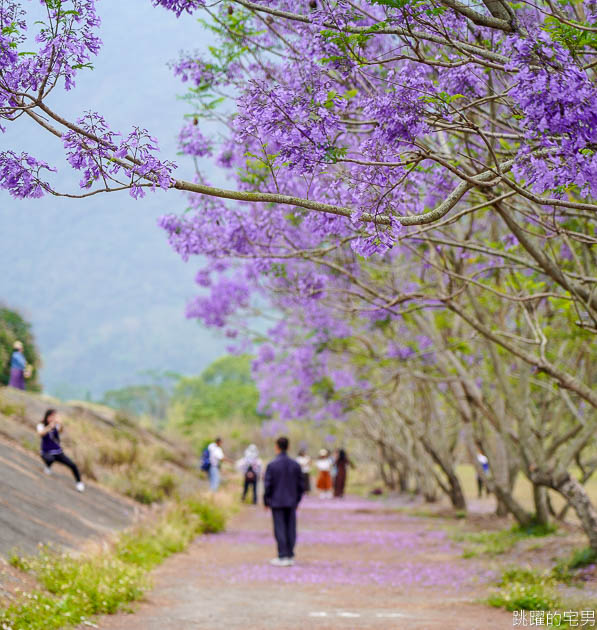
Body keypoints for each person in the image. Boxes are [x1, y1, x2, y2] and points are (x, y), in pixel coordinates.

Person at [263, 436, 305, 567]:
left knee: (280, 528)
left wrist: (266, 501)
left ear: (276, 447)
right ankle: (290, 554)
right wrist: (297, 500)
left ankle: (282, 555)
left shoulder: (272, 464)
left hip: (277, 502)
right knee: (291, 528)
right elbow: (301, 486)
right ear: (288, 447)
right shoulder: (295, 464)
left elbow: (267, 485)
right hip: (291, 502)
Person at [37, 409, 85, 492]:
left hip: (58, 452)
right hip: (46, 451)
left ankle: (79, 482)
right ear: (47, 416)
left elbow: (61, 431)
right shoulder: (41, 425)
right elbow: (41, 434)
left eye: (54, 417)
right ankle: (48, 467)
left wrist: (60, 423)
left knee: (73, 465)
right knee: (50, 459)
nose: (53, 418)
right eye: (51, 416)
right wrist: (49, 426)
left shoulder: (57, 425)